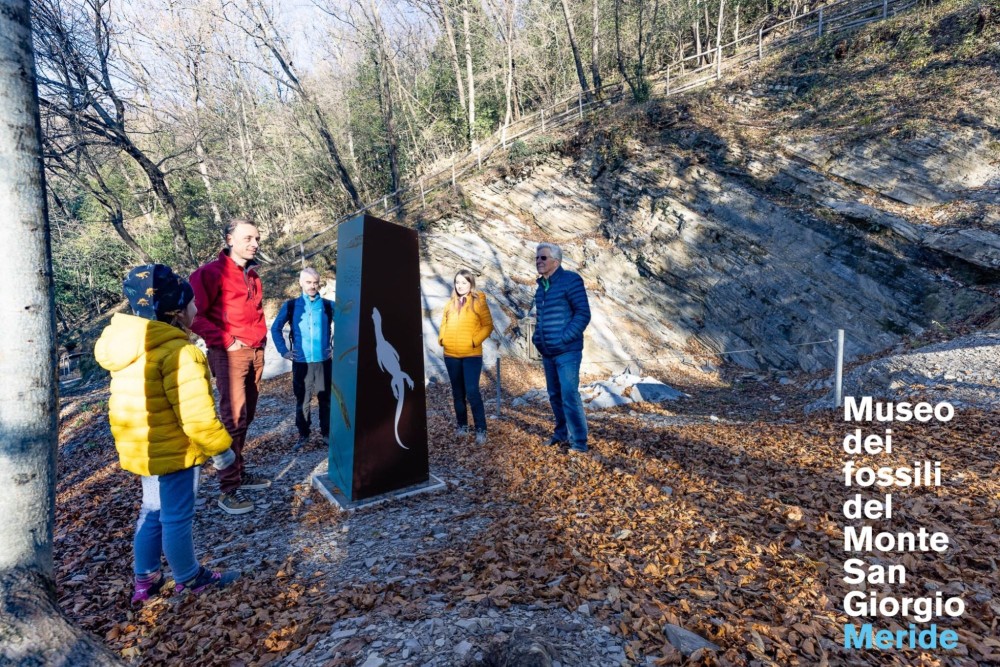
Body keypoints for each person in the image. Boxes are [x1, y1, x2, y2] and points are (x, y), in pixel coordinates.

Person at [95, 264, 240, 604]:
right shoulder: (180, 353)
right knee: (176, 516)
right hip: (175, 450)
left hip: (142, 447)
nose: (196, 308)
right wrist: (221, 450)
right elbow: (196, 414)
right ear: (177, 311)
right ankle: (189, 578)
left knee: (151, 511)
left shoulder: (129, 347)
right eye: (192, 303)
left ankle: (145, 580)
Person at [190, 218, 270, 515]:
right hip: (229, 354)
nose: (255, 244)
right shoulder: (208, 273)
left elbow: (255, 312)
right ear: (229, 239)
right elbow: (193, 316)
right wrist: (227, 341)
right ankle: (228, 489)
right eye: (248, 238)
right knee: (233, 418)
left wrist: (261, 342)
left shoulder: (253, 275)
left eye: (257, 238)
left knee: (246, 416)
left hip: (255, 351)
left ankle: (239, 472)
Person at [532, 243, 591, 453]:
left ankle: (579, 443)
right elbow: (540, 318)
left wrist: (565, 338)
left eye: (543, 258)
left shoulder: (570, 280)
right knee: (555, 395)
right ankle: (560, 434)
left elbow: (583, 313)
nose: (538, 261)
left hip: (567, 351)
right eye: (537, 258)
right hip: (548, 352)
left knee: (569, 394)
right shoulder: (541, 287)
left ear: (556, 261)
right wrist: (537, 339)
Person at [270, 267, 335, 448]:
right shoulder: (291, 306)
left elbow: (347, 325)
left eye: (316, 282)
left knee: (326, 399)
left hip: (323, 361)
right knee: (303, 400)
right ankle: (304, 434)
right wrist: (284, 351)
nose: (312, 286)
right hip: (301, 362)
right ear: (300, 283)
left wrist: (337, 347)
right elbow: (275, 328)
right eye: (308, 282)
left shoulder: (328, 305)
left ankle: (327, 434)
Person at [438, 269, 494, 444]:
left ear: (471, 284)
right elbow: (444, 323)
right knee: (457, 393)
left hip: (471, 355)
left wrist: (474, 341)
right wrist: (442, 339)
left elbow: (488, 326)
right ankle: (462, 425)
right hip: (451, 355)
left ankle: (481, 429)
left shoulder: (479, 302)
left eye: (464, 282)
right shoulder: (450, 304)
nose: (460, 286)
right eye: (457, 282)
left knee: (472, 391)